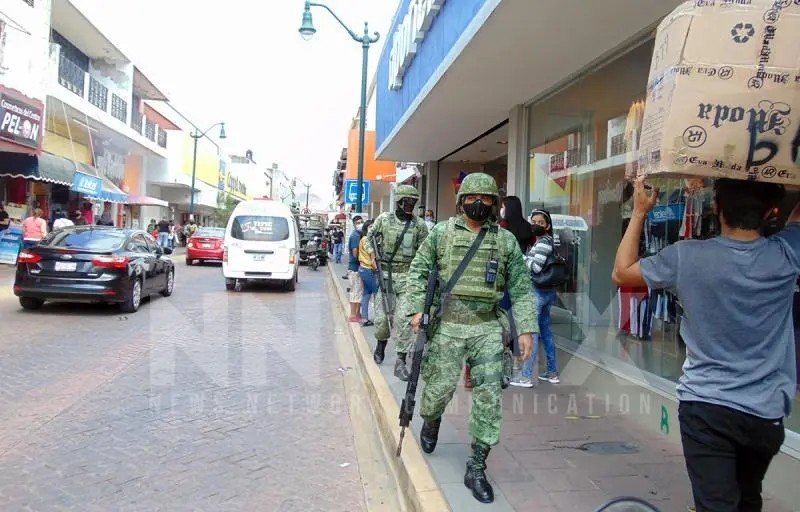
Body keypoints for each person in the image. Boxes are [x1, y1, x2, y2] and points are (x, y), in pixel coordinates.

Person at [612, 177, 798, 512]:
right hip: (765, 412)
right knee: (748, 498)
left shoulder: (687, 257)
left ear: (716, 207)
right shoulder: (787, 254)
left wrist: (639, 212)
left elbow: (622, 273)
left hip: (707, 406)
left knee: (716, 504)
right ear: (770, 211)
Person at [406, 173, 536, 504]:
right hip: (448, 325)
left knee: (489, 397)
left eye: (486, 198)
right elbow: (418, 271)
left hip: (487, 327)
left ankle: (476, 467)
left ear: (495, 203)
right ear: (461, 200)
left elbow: (521, 288)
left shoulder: (505, 242)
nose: (478, 203)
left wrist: (526, 329)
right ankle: (431, 420)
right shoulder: (441, 233)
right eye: (472, 197)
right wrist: (415, 312)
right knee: (438, 390)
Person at [366, 185, 429, 381]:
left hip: (409, 277)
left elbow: (425, 251)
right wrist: (371, 253)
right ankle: (381, 342)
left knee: (403, 320)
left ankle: (401, 360)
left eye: (413, 202)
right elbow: (369, 238)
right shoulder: (384, 220)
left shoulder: (419, 226)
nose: (410, 205)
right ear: (399, 202)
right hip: (387, 276)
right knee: (382, 320)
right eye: (407, 202)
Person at [357, 220, 378, 327]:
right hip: (368, 269)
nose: (372, 228)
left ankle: (365, 318)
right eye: (370, 226)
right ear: (366, 228)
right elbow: (372, 254)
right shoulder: (366, 240)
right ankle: (380, 319)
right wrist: (376, 268)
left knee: (366, 294)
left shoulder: (365, 239)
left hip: (363, 269)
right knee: (377, 293)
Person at [347, 216, 365, 322]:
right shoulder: (355, 236)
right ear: (354, 224)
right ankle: (353, 314)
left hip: (358, 268)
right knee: (355, 291)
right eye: (358, 222)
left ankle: (357, 313)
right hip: (355, 268)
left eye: (362, 221)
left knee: (358, 291)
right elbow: (355, 253)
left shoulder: (360, 235)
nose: (360, 224)